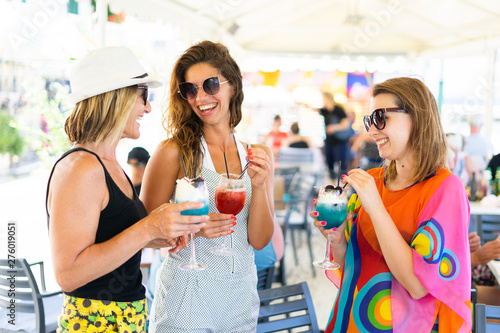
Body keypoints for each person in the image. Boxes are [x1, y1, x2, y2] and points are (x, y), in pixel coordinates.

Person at [45, 47, 208, 332]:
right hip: (94, 323)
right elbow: (68, 274)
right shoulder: (81, 168)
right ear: (117, 96)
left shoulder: (109, 162)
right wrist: (148, 228)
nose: (148, 107)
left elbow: (111, 240)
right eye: (144, 95)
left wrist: (159, 236)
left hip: (126, 320)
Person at [313, 77, 472, 332]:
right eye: (369, 121)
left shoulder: (444, 188)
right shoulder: (372, 181)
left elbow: (418, 285)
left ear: (416, 117)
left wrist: (376, 207)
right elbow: (350, 266)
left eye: (379, 117)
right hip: (350, 318)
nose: (371, 131)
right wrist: (338, 239)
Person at [141, 40, 274, 331]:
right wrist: (193, 228)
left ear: (233, 86)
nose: (201, 97)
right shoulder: (173, 152)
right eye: (191, 89)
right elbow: (144, 234)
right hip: (188, 295)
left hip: (240, 296)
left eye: (210, 85)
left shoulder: (258, 154)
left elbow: (260, 241)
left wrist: (261, 186)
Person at [318, 91, 351, 179]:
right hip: (329, 142)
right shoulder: (324, 111)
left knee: (341, 166)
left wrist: (334, 127)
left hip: (339, 142)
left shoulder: (338, 110)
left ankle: (343, 186)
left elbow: (346, 124)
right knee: (330, 166)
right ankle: (332, 187)